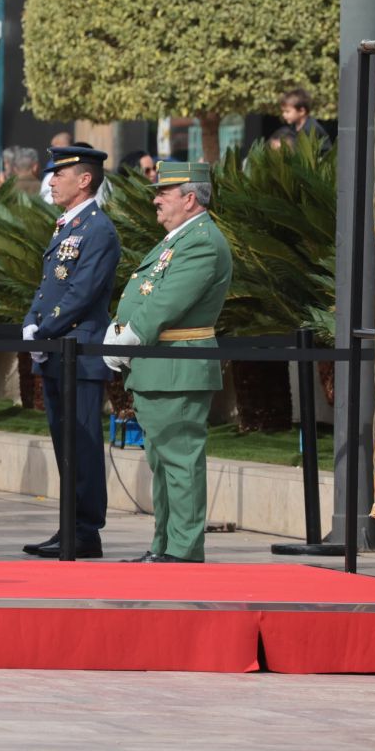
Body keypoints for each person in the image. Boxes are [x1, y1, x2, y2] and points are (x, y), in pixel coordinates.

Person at [103, 162, 234, 563]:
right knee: (164, 464)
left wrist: (130, 335)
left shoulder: (201, 241)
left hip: (177, 365)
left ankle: (182, 551)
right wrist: (118, 327)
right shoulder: (179, 239)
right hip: (160, 365)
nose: (156, 199)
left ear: (190, 198)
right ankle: (164, 547)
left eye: (164, 192)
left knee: (179, 464)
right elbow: (148, 291)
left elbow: (168, 301)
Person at [20, 145, 120, 559]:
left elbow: (82, 293)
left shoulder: (99, 229)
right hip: (58, 349)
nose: (52, 181)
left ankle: (85, 530)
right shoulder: (68, 225)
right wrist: (31, 321)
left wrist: (44, 329)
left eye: (60, 174)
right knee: (65, 444)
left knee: (82, 445)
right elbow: (50, 287)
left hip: (79, 351)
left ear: (85, 180)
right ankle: (69, 526)